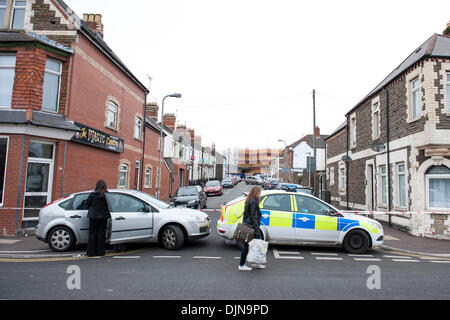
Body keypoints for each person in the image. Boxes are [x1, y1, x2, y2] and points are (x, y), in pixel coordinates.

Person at [239, 186, 264, 271]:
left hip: (249, 225)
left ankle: (256, 263)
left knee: (255, 245)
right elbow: (253, 216)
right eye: (259, 192)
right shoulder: (253, 201)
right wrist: (257, 230)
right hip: (251, 227)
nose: (260, 194)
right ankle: (242, 265)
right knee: (253, 245)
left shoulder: (250, 200)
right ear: (256, 193)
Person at [86, 180, 111, 257]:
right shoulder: (107, 195)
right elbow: (110, 205)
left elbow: (88, 204)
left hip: (93, 216)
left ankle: (91, 252)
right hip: (103, 216)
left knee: (92, 234)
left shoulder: (92, 194)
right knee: (101, 234)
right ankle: (100, 252)